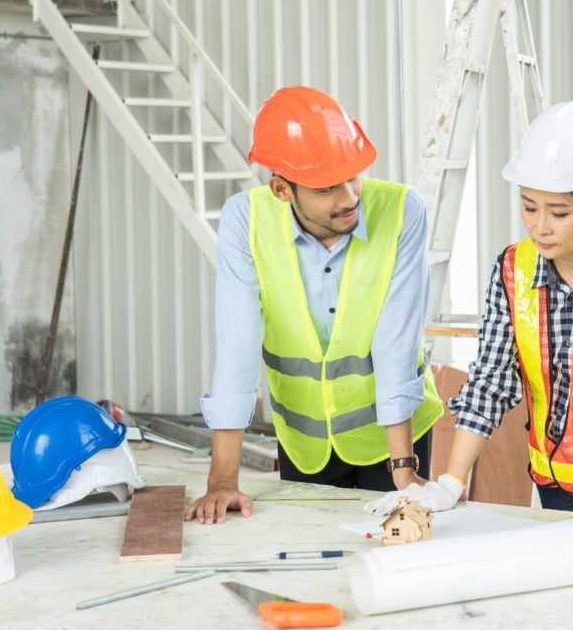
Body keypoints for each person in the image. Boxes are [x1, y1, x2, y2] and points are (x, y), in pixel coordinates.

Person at [366, 100, 573, 517]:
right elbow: (492, 377)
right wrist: (450, 482)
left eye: (559, 212)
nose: (540, 226)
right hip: (555, 480)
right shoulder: (513, 268)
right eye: (529, 206)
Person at [186, 86, 443, 525]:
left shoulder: (403, 211)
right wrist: (223, 479)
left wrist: (404, 472)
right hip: (304, 445)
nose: (349, 197)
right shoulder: (245, 221)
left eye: (354, 175)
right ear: (282, 189)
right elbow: (237, 343)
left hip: (394, 441)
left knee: (392, 558)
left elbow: (396, 342)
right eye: (327, 187)